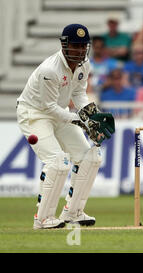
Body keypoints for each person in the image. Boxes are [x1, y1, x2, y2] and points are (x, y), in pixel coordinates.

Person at [16, 24, 115, 229]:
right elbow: (48, 107)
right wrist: (81, 121)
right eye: (75, 46)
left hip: (59, 113)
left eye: (83, 46)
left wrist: (92, 115)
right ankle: (43, 219)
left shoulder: (84, 64)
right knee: (58, 162)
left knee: (91, 157)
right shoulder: (49, 70)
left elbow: (78, 94)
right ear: (64, 44)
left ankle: (73, 213)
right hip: (34, 114)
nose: (79, 51)